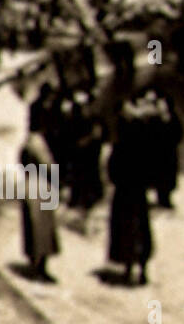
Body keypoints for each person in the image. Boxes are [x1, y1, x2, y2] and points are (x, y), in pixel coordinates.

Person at [107, 95, 154, 286]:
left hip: (125, 191)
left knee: (126, 229)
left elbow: (113, 169)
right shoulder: (143, 143)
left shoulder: (121, 145)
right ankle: (141, 269)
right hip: (138, 190)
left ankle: (129, 268)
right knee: (140, 229)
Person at [20, 117, 60, 283]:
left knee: (31, 225)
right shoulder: (39, 143)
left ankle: (33, 263)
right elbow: (48, 164)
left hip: (29, 183)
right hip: (41, 186)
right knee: (42, 228)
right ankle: (40, 268)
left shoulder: (27, 141)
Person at [65, 90, 104, 224]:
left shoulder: (93, 118)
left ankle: (88, 201)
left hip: (89, 154)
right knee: (79, 177)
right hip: (79, 155)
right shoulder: (74, 119)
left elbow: (99, 135)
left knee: (89, 176)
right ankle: (79, 201)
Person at [149, 89, 183, 209]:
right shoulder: (155, 120)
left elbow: (180, 134)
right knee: (160, 176)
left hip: (170, 152)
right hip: (159, 154)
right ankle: (161, 199)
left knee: (169, 177)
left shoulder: (173, 118)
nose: (162, 107)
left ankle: (166, 199)